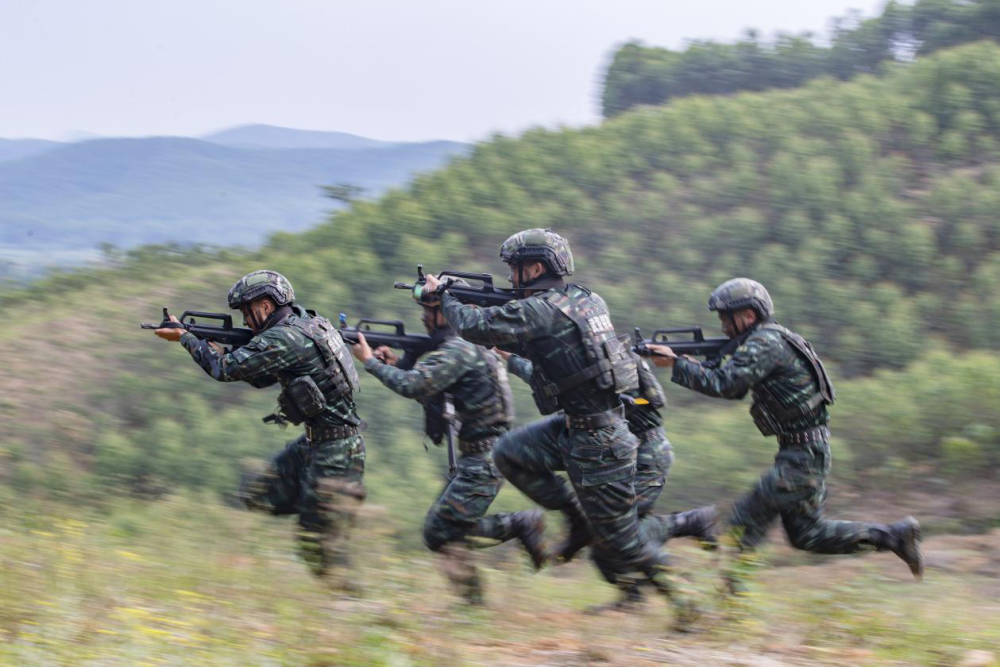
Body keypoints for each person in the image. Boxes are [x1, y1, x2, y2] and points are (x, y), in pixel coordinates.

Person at [423, 229, 699, 629]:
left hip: (599, 441)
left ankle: (687, 600)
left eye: (516, 269)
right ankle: (573, 513)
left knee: (621, 540)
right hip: (574, 425)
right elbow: (556, 348)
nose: (512, 278)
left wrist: (445, 294)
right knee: (508, 453)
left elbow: (472, 327)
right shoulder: (585, 299)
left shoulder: (541, 310)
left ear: (535, 268)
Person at [646, 277, 924, 592]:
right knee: (808, 535)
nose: (723, 326)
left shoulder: (765, 343)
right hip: (806, 452)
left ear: (748, 316)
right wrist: (686, 363)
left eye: (726, 318)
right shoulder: (772, 339)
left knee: (740, 525)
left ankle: (731, 609)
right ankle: (893, 536)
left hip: (802, 457)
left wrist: (677, 364)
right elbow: (730, 381)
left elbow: (727, 385)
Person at [155, 270, 367, 591]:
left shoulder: (283, 338)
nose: (245, 320)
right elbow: (262, 376)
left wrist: (187, 338)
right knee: (258, 493)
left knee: (319, 547)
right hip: (318, 443)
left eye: (246, 310)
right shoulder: (309, 322)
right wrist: (221, 346)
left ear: (266, 306)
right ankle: (322, 505)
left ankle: (352, 600)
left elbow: (224, 370)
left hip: (337, 451)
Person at [349, 282, 546, 604]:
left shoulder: (460, 349)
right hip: (484, 456)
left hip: (484, 459)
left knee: (440, 532)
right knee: (445, 533)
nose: (426, 317)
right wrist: (393, 363)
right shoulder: (473, 346)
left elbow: (415, 386)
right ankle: (471, 603)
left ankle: (520, 525)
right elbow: (436, 383)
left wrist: (370, 362)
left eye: (432, 310)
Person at [498, 347, 718, 612]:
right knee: (604, 534)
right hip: (595, 443)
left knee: (615, 535)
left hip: (644, 455)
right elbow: (555, 381)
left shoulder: (613, 353)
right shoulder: (567, 349)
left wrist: (626, 402)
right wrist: (514, 359)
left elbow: (653, 400)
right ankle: (635, 588)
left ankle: (685, 583)